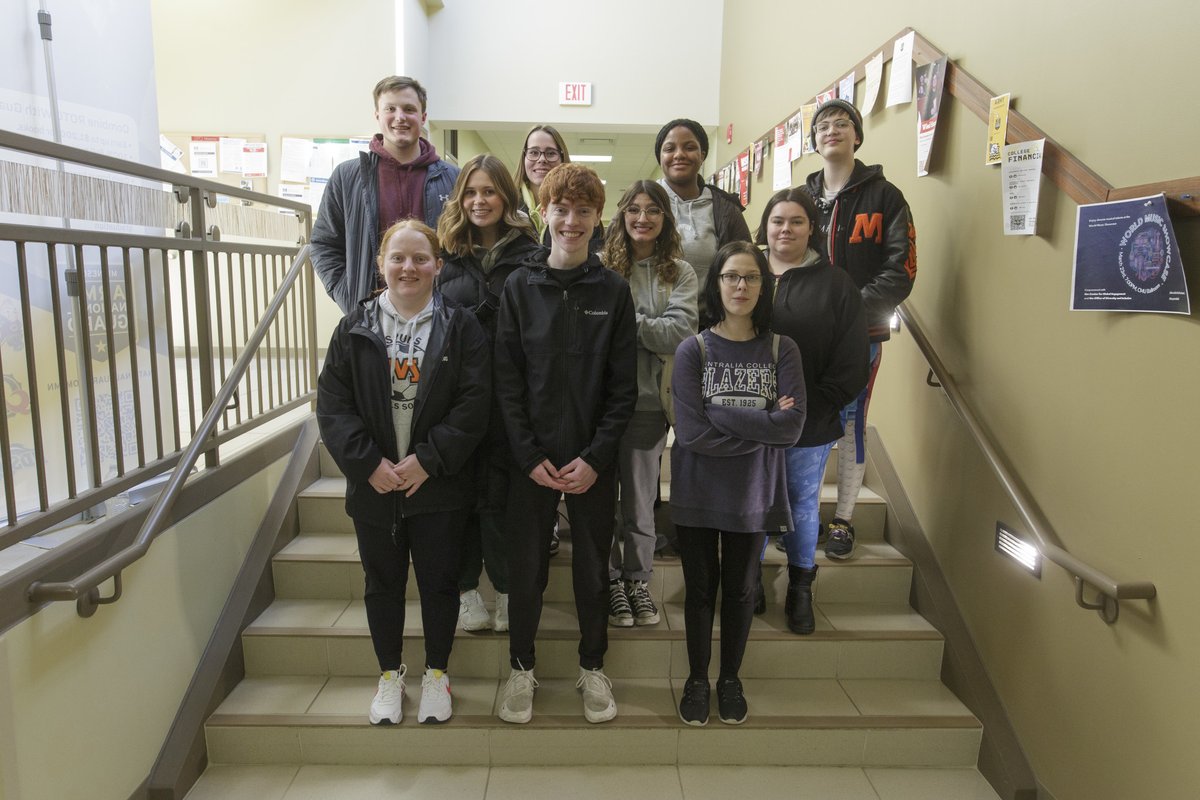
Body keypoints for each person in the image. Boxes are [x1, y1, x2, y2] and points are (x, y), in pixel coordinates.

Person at [316, 219, 490, 726]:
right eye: (398, 258)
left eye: (420, 258)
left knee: (439, 584)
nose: (408, 268)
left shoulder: (462, 327)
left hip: (438, 486)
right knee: (382, 584)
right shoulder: (355, 327)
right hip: (375, 488)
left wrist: (428, 461)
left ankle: (437, 674)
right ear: (381, 265)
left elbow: (475, 405)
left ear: (438, 264)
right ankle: (390, 675)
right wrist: (369, 464)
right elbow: (333, 406)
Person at [493, 163, 637, 725]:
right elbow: (506, 383)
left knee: (591, 569)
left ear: (597, 218)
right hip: (529, 459)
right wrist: (528, 456)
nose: (571, 221)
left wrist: (596, 458)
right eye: (561, 209)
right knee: (526, 568)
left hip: (591, 462)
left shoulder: (613, 291)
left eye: (583, 211)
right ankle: (521, 669)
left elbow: (622, 389)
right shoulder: (518, 288)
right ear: (543, 213)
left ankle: (592, 666)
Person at [669, 242, 806, 726]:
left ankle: (730, 678)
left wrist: (721, 415)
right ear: (717, 284)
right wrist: (760, 423)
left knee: (743, 591)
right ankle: (696, 679)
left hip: (754, 495)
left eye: (750, 277)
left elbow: (791, 429)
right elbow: (689, 432)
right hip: (697, 492)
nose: (740, 286)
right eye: (731, 277)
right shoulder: (694, 349)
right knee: (701, 591)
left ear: (763, 285)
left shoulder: (780, 349)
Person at [802, 99, 916, 560]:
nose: (832, 130)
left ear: (857, 137)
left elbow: (901, 270)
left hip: (859, 336)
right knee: (801, 422)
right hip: (803, 336)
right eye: (823, 126)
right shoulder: (801, 199)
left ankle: (844, 519)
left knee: (850, 424)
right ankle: (802, 511)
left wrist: (845, 311)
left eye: (842, 124)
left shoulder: (885, 196)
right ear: (812, 141)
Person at [435, 154, 541, 634]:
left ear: (507, 196)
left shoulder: (530, 253)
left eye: (490, 191)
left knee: (500, 497)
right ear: (461, 198)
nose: (480, 201)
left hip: (509, 397)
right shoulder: (445, 254)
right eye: (471, 192)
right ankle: (463, 592)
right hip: (455, 398)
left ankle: (503, 587)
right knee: (458, 496)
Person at [759, 188, 869, 634]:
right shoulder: (744, 272)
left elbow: (852, 360)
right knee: (751, 504)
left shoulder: (836, 284)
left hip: (811, 420)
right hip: (747, 421)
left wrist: (809, 406)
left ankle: (801, 587)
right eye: (777, 221)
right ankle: (749, 580)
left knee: (802, 507)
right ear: (765, 227)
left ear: (812, 229)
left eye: (796, 221)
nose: (786, 229)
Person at [599, 180, 698, 628]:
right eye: (634, 209)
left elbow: (678, 333)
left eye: (652, 210)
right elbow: (591, 334)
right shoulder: (601, 268)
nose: (642, 218)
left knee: (639, 503)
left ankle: (638, 580)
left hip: (647, 406)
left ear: (665, 218)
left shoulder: (680, 272)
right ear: (621, 216)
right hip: (597, 407)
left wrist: (621, 322)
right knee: (600, 503)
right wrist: (646, 327)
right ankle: (610, 581)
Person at [312, 76, 461, 315]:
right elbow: (324, 244)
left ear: (423, 117)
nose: (400, 117)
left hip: (436, 316)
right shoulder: (348, 177)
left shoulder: (453, 178)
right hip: (369, 316)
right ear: (377, 116)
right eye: (390, 109)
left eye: (409, 109)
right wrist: (347, 294)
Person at [654, 118, 752, 326]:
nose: (679, 154)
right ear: (660, 157)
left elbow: (747, 268)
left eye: (689, 147)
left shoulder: (726, 209)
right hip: (650, 324)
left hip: (711, 327)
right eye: (670, 148)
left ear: (702, 155)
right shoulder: (639, 203)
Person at [513, 123, 604, 253]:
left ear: (562, 158)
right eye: (533, 152)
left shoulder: (586, 211)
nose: (542, 159)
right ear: (524, 158)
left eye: (550, 153)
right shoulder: (507, 205)